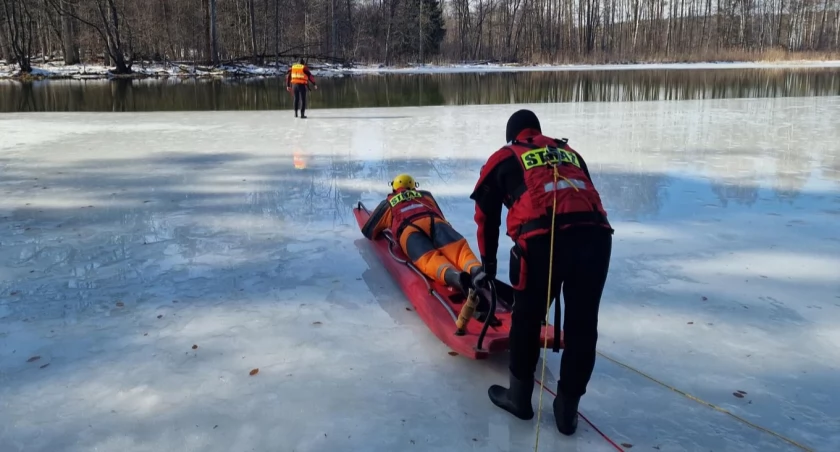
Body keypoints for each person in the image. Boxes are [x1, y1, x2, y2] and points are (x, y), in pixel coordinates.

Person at [469, 109, 613, 435]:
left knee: (527, 317)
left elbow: (485, 215)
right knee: (582, 324)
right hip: (596, 236)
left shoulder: (505, 156)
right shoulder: (569, 153)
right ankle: (567, 412)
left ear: (513, 136)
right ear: (537, 131)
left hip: (541, 241)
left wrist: (488, 264)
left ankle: (519, 399)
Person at [362, 174, 485, 298]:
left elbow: (369, 230)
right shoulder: (426, 195)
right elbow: (439, 213)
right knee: (459, 250)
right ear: (414, 187)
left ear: (394, 188)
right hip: (436, 222)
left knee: (428, 258)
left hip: (409, 230)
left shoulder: (388, 203)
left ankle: (454, 276)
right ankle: (475, 269)